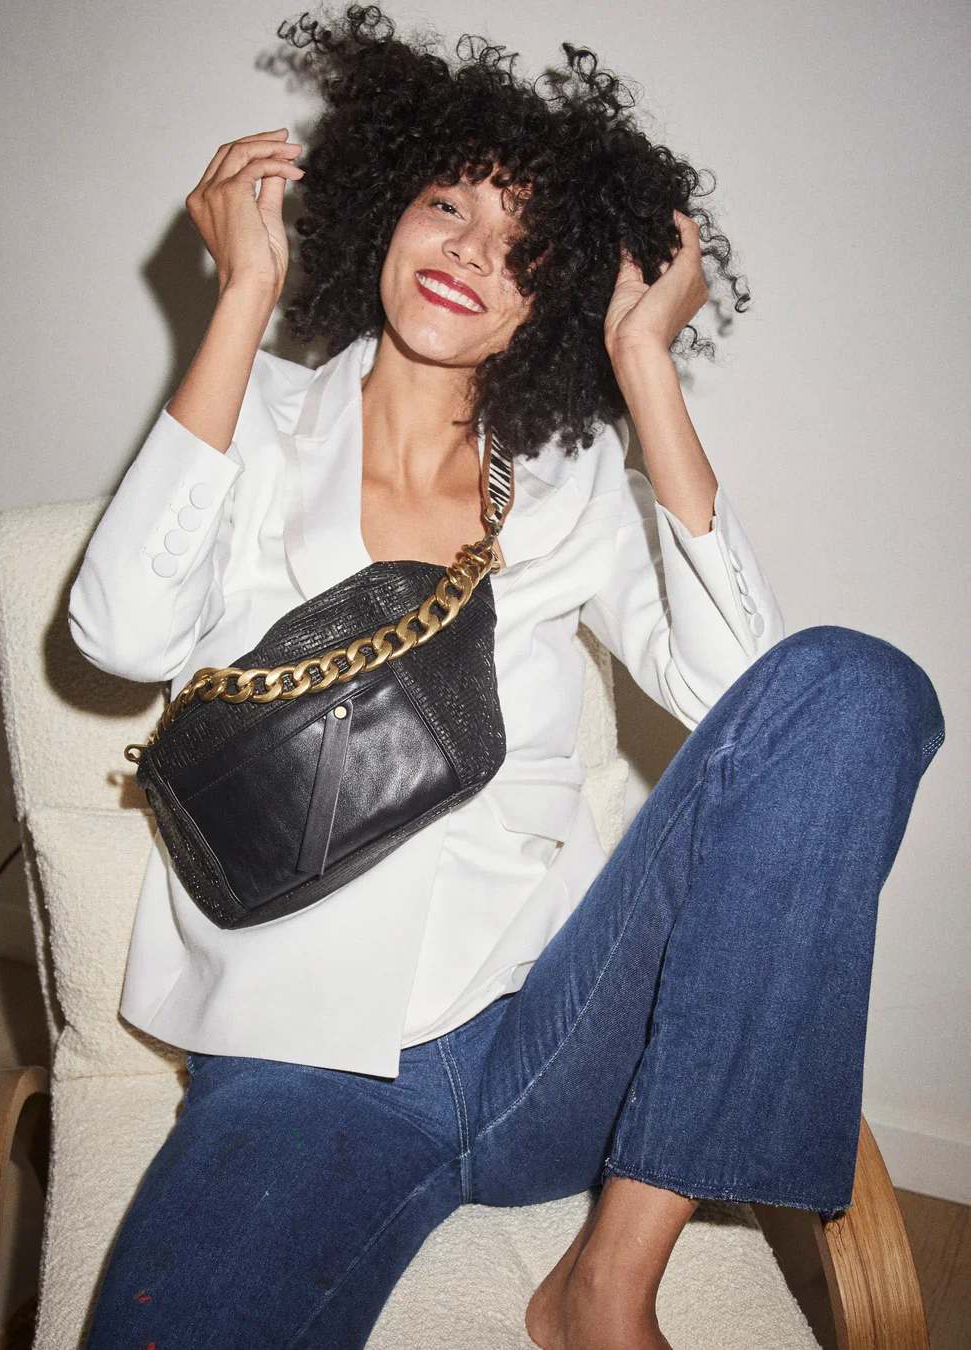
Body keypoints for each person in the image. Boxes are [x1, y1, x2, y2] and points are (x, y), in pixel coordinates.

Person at [71, 9, 945, 1348]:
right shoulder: (249, 418)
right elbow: (122, 634)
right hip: (305, 1068)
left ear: (557, 296)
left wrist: (645, 367)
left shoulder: (569, 481)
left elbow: (749, 694)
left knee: (855, 686)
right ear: (382, 215)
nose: (477, 250)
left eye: (526, 244)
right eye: (448, 204)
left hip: (553, 1045)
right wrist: (240, 297)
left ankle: (607, 1280)